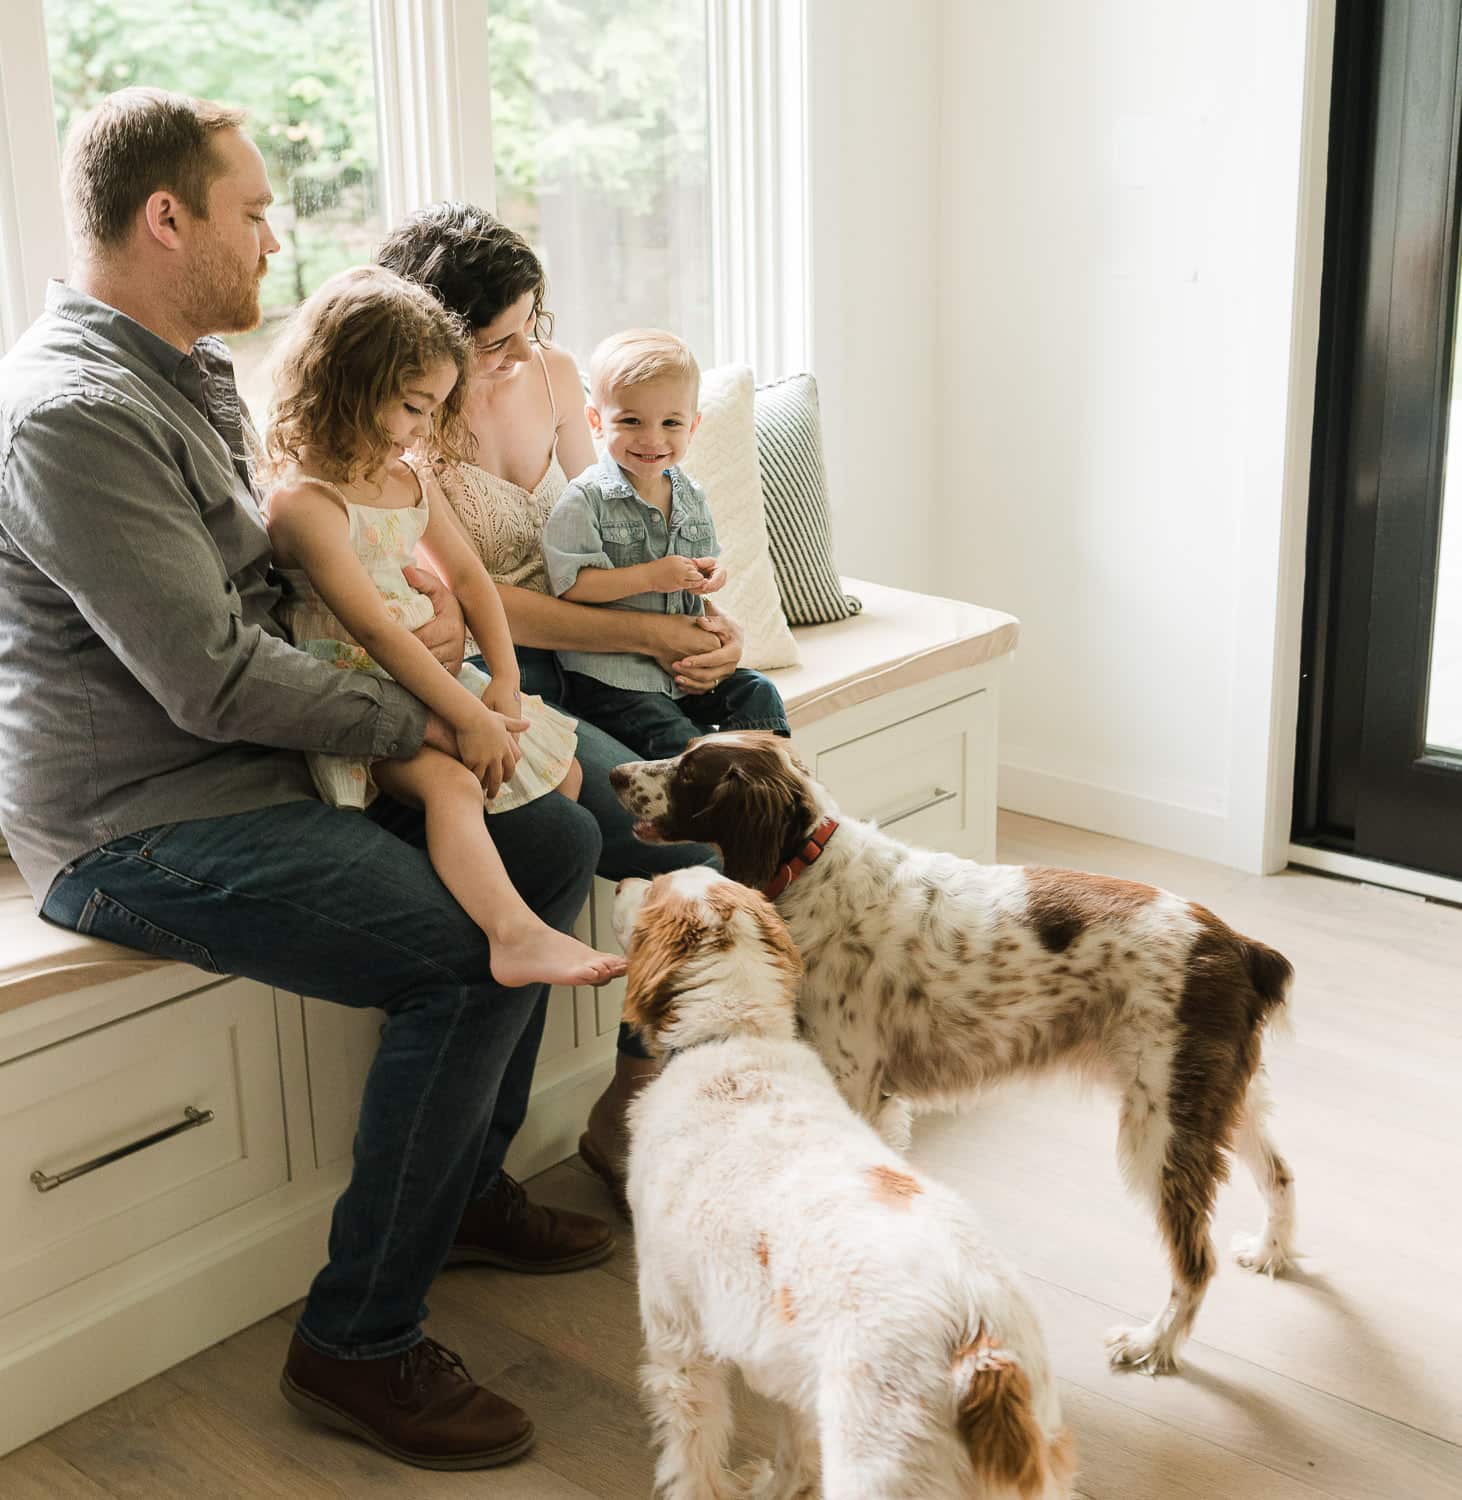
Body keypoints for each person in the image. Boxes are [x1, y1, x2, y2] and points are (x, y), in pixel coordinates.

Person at [0, 88, 613, 1471]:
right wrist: (423, 716)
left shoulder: (185, 371)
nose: (275, 239)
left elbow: (289, 587)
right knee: (463, 955)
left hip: (262, 762)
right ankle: (358, 1339)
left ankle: (462, 1193)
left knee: (558, 846)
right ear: (167, 219)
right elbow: (208, 678)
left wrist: (432, 639)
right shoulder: (73, 414)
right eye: (255, 211)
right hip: (141, 819)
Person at [376, 206, 747, 1203]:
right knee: (681, 840)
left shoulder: (555, 374)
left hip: (604, 658)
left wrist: (705, 627)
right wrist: (646, 638)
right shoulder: (410, 418)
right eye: (493, 341)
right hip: (503, 678)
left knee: (732, 811)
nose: (519, 356)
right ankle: (619, 1118)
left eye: (530, 325)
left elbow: (618, 526)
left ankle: (638, 1098)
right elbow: (478, 602)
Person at [263, 264, 621, 989]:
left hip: (439, 676)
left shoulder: (408, 478)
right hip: (365, 699)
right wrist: (469, 716)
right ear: (348, 385)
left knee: (568, 772)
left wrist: (505, 684)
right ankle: (511, 935)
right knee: (452, 785)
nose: (423, 430)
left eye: (433, 410)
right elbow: (376, 634)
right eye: (412, 407)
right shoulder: (306, 503)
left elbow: (470, 580)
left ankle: (510, 916)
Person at [544, 328, 790, 758]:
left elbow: (701, 566)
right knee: (681, 744)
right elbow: (571, 585)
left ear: (692, 426)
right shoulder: (585, 499)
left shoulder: (691, 495)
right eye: (631, 421)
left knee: (758, 693)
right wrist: (650, 577)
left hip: (679, 671)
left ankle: (764, 779)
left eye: (670, 423)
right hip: (613, 679)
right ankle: (719, 786)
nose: (652, 439)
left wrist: (711, 576)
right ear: (597, 421)